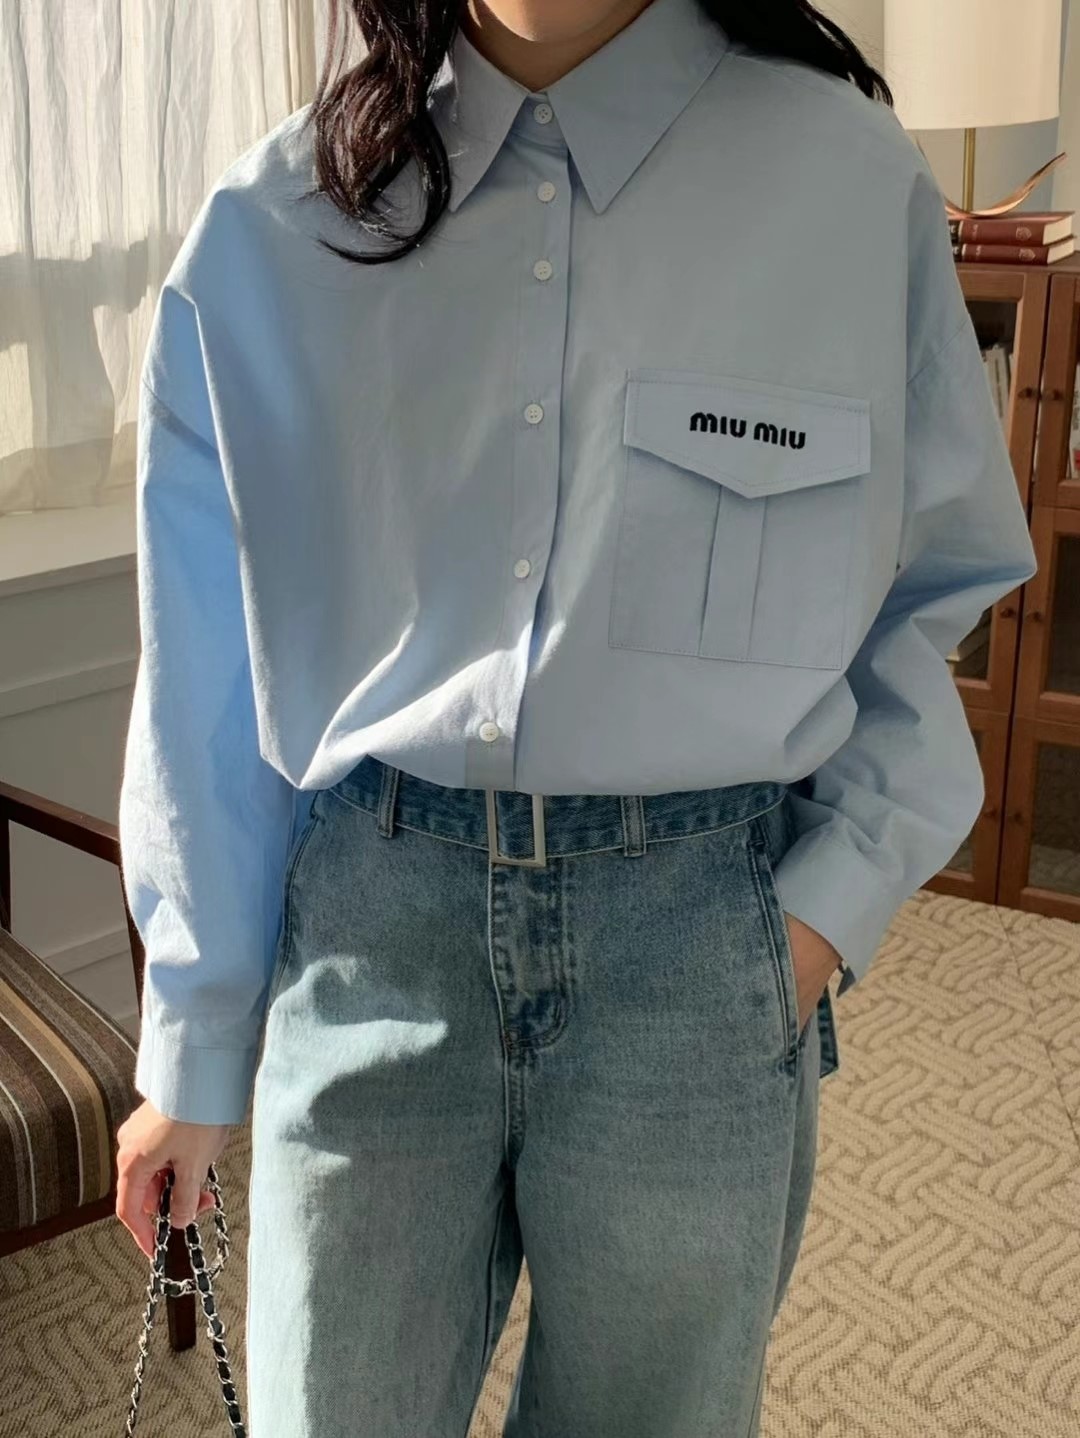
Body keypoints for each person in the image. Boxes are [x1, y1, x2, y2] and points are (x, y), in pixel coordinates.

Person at [114, 0, 1038, 1433]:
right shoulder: (276, 224)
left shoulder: (848, 184)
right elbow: (206, 670)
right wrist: (196, 1033)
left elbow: (943, 576)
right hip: (371, 933)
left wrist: (817, 913)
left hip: (695, 950)